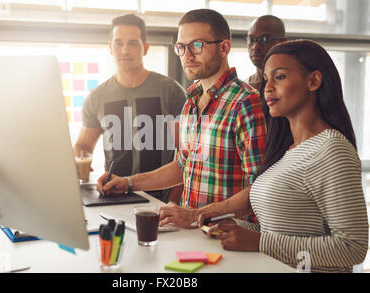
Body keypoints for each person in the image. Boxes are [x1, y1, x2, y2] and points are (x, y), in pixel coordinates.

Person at [197, 40, 368, 273]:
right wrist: (234, 226)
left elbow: (352, 248)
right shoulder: (286, 151)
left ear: (313, 81)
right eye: (266, 79)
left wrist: (259, 242)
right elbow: (283, 233)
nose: (267, 88)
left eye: (279, 77)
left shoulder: (332, 150)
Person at [97, 9, 266, 224]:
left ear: (224, 47)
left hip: (228, 236)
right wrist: (128, 183)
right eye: (181, 47)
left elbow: (260, 187)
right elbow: (182, 165)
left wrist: (195, 215)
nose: (187, 55)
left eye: (197, 45)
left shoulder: (245, 102)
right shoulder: (191, 102)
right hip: (192, 232)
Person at [73, 13, 186, 202]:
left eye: (133, 43)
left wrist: (173, 203)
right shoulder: (97, 97)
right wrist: (76, 161)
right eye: (118, 43)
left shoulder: (170, 91)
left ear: (146, 48)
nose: (125, 50)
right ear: (110, 48)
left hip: (161, 200)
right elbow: (83, 146)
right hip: (113, 196)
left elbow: (186, 156)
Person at [246, 15, 287, 93]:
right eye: (251, 39)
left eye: (265, 39)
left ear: (282, 42)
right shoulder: (242, 88)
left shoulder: (292, 85)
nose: (256, 46)